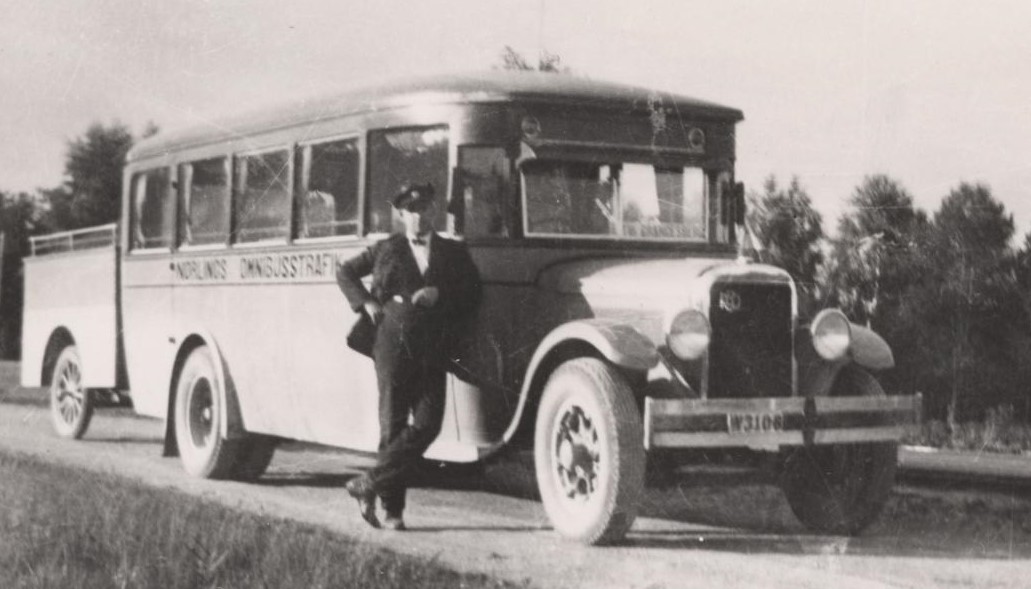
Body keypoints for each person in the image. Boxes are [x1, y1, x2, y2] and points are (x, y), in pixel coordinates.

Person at [336, 182, 481, 531]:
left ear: (433, 211)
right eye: (411, 211)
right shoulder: (387, 248)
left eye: (425, 209)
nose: (419, 217)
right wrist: (367, 303)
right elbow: (345, 271)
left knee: (429, 424)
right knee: (393, 424)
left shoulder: (453, 252)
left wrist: (441, 295)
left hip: (433, 350)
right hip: (391, 348)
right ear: (401, 215)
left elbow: (474, 293)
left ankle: (368, 483)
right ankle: (393, 512)